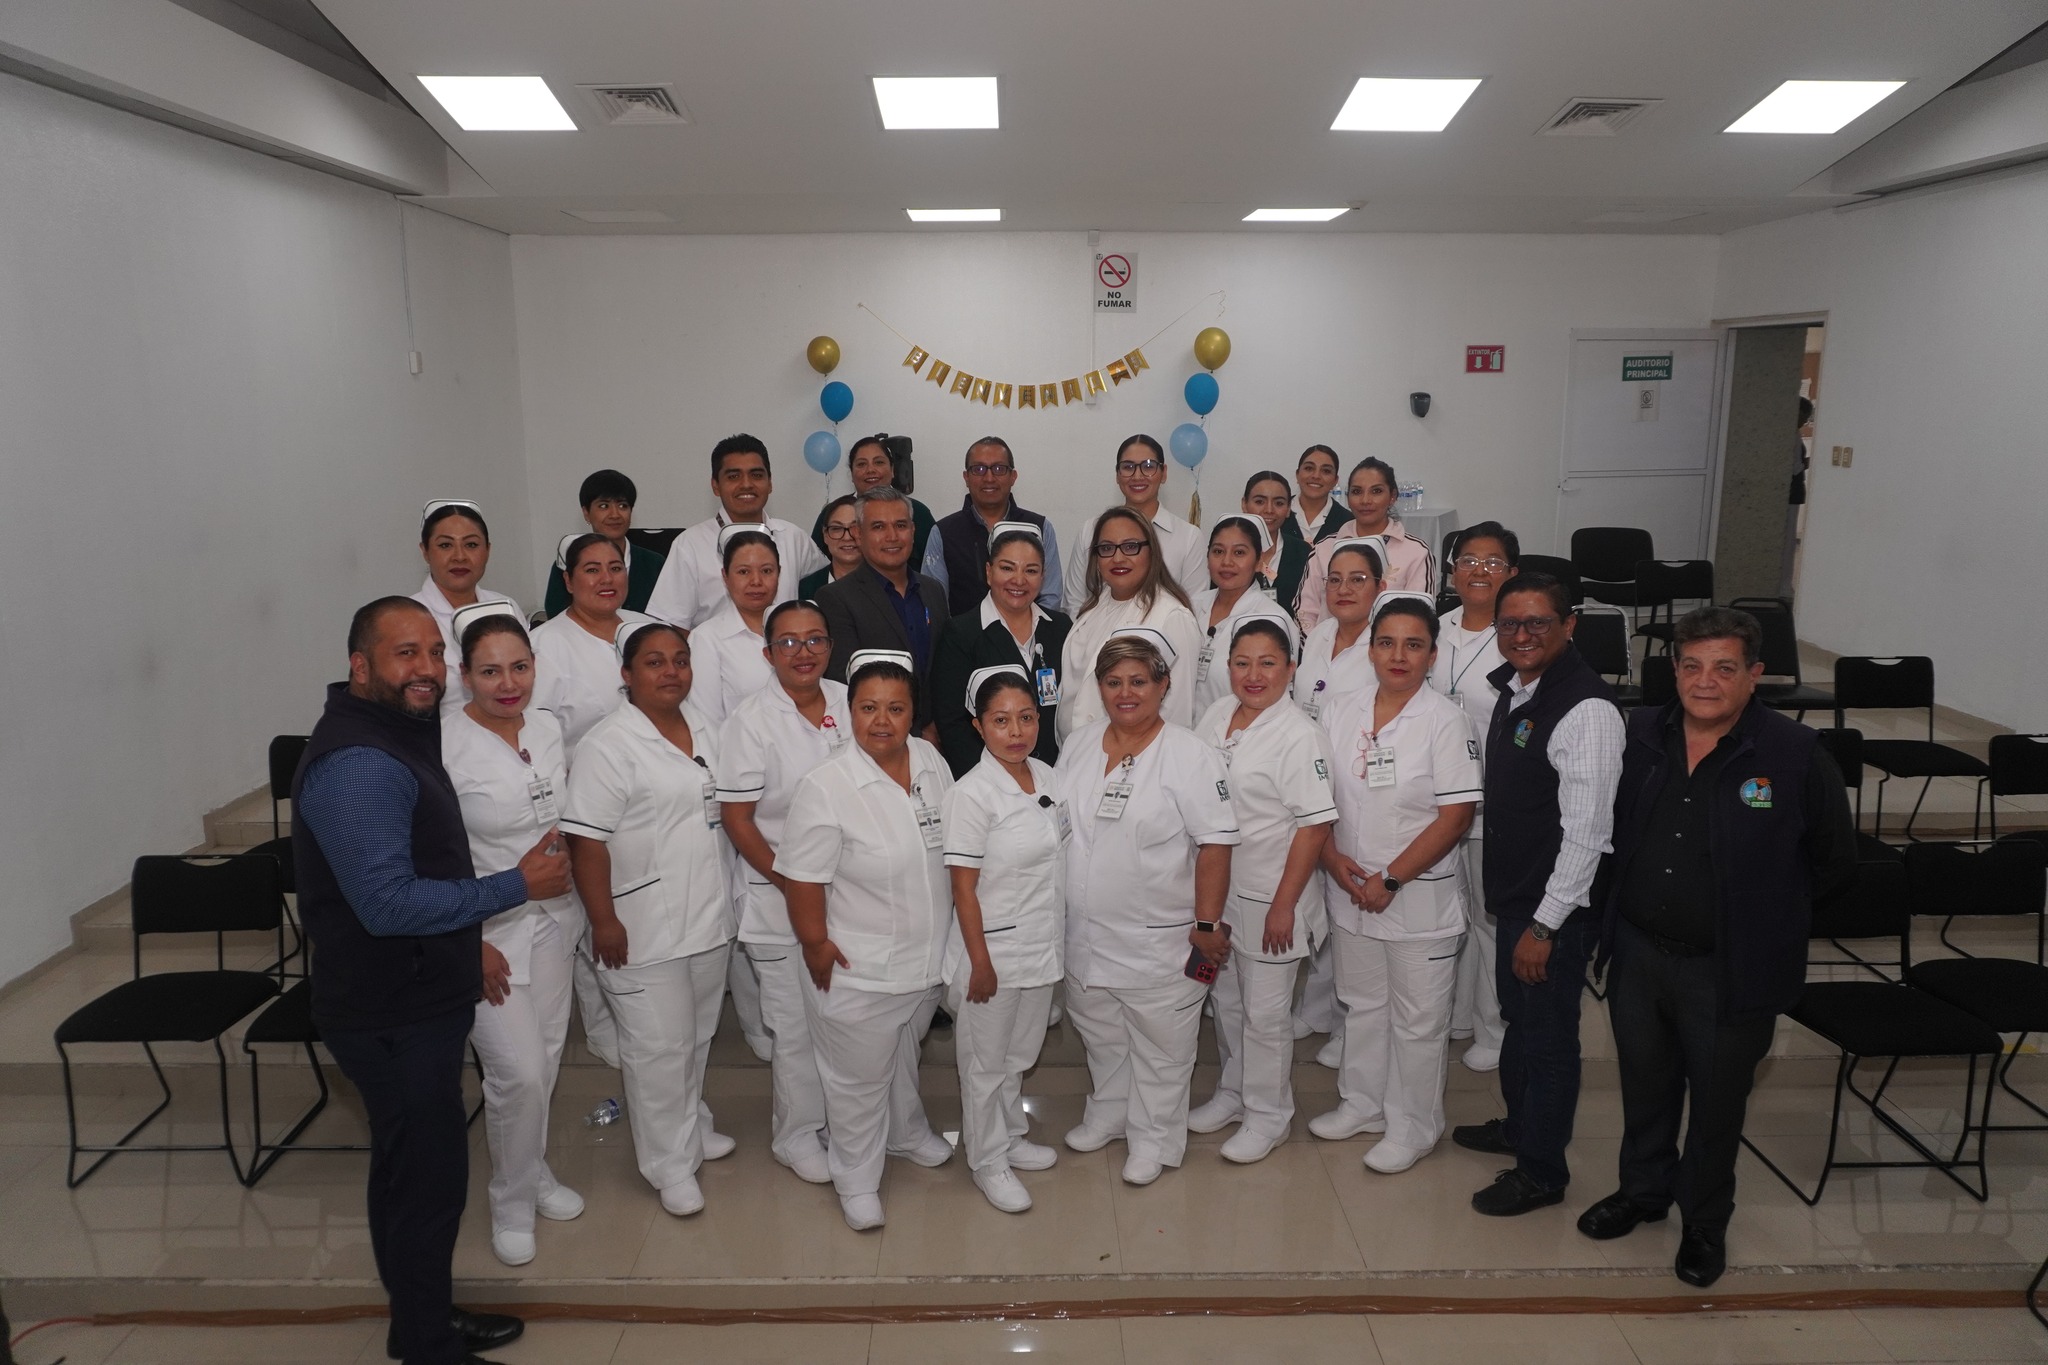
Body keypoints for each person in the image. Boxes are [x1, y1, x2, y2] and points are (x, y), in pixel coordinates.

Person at [293, 596, 568, 1365]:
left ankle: (419, 1317)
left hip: (412, 994)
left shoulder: (394, 734)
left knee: (409, 1170)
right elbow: (386, 904)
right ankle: (428, 1345)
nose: (426, 668)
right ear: (360, 666)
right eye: (404, 653)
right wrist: (513, 887)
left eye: (433, 652)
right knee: (426, 1182)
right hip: (390, 1009)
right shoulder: (359, 762)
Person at [1579, 607, 1854, 1288]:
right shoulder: (1640, 733)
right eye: (1693, 666)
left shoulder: (1795, 755)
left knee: (1717, 1101)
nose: (1706, 681)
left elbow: (1834, 865)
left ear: (1754, 675)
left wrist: (1765, 921)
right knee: (1644, 1085)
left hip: (1728, 968)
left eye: (1724, 668)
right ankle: (1643, 1191)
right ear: (1675, 670)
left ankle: (1703, 1221)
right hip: (1640, 952)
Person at [1450, 571, 1624, 1217]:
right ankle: (1519, 1128)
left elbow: (1588, 833)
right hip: (1520, 896)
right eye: (1510, 623)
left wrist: (1545, 926)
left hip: (1554, 911)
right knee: (1519, 1022)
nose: (1521, 635)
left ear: (1569, 625)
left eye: (1537, 623)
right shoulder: (1520, 688)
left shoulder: (1587, 711)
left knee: (1549, 1041)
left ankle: (1542, 1172)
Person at [776, 651, 957, 1230]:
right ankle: (856, 1178)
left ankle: (905, 1132)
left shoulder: (930, 760)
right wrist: (815, 944)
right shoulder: (826, 785)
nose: (882, 721)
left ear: (913, 714)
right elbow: (802, 877)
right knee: (856, 1083)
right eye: (868, 708)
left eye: (896, 709)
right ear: (849, 711)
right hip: (859, 967)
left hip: (925, 960)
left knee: (902, 1056)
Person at [561, 621, 737, 1218]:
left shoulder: (705, 727)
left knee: (696, 1035)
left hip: (707, 914)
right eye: (655, 662)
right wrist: (603, 920)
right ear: (627, 674)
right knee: (658, 1049)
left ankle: (693, 1124)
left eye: (680, 660)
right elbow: (586, 841)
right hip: (638, 924)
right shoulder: (608, 745)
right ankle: (669, 1165)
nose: (671, 672)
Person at [1054, 630, 1240, 1186]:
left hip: (1161, 937)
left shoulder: (1190, 755)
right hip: (1086, 934)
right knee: (1101, 1032)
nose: (1126, 693)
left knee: (1163, 1046)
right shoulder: (1080, 744)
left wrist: (1206, 924)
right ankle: (1110, 1113)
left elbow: (1216, 843)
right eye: (1113, 682)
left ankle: (1154, 1138)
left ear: (1163, 685)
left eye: (1138, 681)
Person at [1313, 594, 1483, 1174]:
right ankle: (1362, 1104)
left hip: (1416, 898)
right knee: (1362, 1005)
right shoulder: (1339, 711)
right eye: (1386, 643)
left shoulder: (1446, 721)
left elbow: (1455, 816)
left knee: (1417, 1021)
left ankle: (1413, 1127)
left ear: (1432, 656)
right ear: (1370, 650)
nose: (1398, 656)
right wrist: (1333, 860)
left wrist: (1390, 879)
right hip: (1350, 889)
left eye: (1414, 645)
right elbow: (1317, 799)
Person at [443, 604, 586, 1269]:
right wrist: (466, 939)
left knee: (546, 1061)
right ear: (464, 675)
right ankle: (510, 1202)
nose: (508, 684)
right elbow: (432, 852)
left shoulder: (548, 727)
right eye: (491, 671)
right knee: (518, 1072)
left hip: (555, 920)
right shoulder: (444, 745)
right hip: (487, 929)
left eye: (520, 667)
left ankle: (533, 1171)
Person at [1187, 615, 1336, 1164]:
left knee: (1265, 1016)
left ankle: (1269, 1116)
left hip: (1274, 896)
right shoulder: (1217, 715)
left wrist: (1283, 906)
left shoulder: (1299, 735)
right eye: (1242, 663)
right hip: (1218, 895)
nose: (1253, 675)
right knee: (1226, 1001)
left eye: (1268, 663)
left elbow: (1314, 827)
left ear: (1290, 668)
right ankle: (1234, 1093)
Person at [716, 600, 851, 1185]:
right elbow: (738, 819)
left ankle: (842, 1123)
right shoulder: (750, 721)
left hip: (849, 894)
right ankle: (795, 1135)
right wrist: (793, 882)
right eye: (789, 643)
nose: (804, 652)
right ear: (768, 653)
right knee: (793, 1027)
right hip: (777, 897)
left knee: (839, 1019)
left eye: (815, 639)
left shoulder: (849, 702)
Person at [941, 666, 1069, 1212]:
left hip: (1040, 942)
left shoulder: (1048, 776)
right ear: (978, 725)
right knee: (984, 1064)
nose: (1016, 732)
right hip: (990, 951)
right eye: (1000, 721)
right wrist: (980, 961)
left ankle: (1011, 1135)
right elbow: (963, 888)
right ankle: (987, 1159)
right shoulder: (971, 794)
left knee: (1018, 1054)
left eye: (1026, 718)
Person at [1290, 537, 1384, 1050]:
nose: (1344, 589)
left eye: (1357, 579)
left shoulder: (1382, 643)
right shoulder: (1320, 633)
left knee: (1350, 899)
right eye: (1335, 580)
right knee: (1321, 898)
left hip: (1357, 784)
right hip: (1310, 778)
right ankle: (1319, 1008)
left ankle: (1352, 1026)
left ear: (1380, 587)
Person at [1433, 522, 1517, 1075]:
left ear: (1512, 573)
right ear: (1452, 570)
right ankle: (1457, 1017)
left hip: (1492, 803)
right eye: (1467, 560)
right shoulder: (1434, 629)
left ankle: (1494, 1027)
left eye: (1492, 562)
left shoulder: (1518, 636)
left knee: (1488, 919)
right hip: (1434, 803)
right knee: (1449, 914)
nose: (1478, 571)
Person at [930, 522, 1072, 777]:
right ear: (989, 572)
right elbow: (952, 723)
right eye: (1007, 568)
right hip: (987, 780)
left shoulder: (1061, 628)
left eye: (1031, 570)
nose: (1019, 580)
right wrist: (990, 781)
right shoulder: (961, 633)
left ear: (1043, 576)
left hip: (1055, 776)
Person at [645, 434, 826, 629]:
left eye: (756, 475)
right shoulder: (690, 545)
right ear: (715, 486)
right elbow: (670, 626)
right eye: (733, 476)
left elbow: (825, 593)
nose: (746, 484)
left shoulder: (794, 538)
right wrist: (705, 646)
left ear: (770, 483)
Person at [816, 486, 951, 736]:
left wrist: (935, 728)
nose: (892, 536)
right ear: (859, 534)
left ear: (913, 531)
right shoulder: (835, 598)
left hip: (936, 739)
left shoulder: (933, 590)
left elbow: (943, 670)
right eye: (878, 527)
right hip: (876, 736)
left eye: (900, 525)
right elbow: (845, 683)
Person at [1058, 509, 1201, 740]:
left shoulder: (1172, 617)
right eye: (1107, 548)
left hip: (1130, 756)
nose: (1118, 558)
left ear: (1152, 552)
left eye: (1130, 546)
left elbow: (1177, 716)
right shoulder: (1094, 607)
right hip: (1075, 752)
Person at [531, 534, 655, 752]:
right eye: (592, 570)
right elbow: (534, 734)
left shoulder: (651, 629)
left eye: (615, 568)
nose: (607, 579)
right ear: (568, 581)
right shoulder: (542, 646)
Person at [926, 436, 1065, 616]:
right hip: (964, 633)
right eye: (979, 469)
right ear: (966, 477)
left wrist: (1026, 629)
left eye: (999, 469)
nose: (989, 478)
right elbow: (935, 603)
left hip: (1029, 633)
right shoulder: (943, 533)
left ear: (1013, 476)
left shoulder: (1039, 528)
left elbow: (1051, 598)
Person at [1062, 435, 1208, 606]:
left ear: (1163, 473)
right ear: (1117, 475)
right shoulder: (1090, 530)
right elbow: (1074, 602)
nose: (1137, 476)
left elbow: (1195, 605)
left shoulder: (1189, 537)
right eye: (1128, 467)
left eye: (1148, 466)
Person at [1296, 459, 1435, 631]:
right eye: (1357, 491)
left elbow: (1420, 618)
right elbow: (1305, 612)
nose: (1365, 500)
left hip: (1389, 646)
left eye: (1376, 491)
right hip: (1328, 646)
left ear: (1392, 496)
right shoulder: (1324, 549)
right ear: (1348, 498)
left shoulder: (1416, 552)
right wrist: (1318, 644)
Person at [412, 501, 523, 717]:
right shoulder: (408, 618)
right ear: (425, 551)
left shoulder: (506, 608)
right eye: (445, 545)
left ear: (487, 550)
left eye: (471, 545)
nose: (459, 556)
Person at [1187, 515, 1283, 718]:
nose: (1226, 562)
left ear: (1258, 561)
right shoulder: (1190, 607)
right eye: (1218, 551)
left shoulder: (1272, 619)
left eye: (1239, 552)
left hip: (1237, 733)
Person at [687, 525, 781, 726]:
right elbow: (706, 721)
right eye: (743, 572)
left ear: (779, 573)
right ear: (725, 576)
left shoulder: (801, 629)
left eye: (766, 571)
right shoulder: (706, 639)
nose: (756, 581)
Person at [541, 470, 665, 617]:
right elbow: (557, 615)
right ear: (586, 513)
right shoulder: (568, 562)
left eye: (623, 506)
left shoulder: (655, 564)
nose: (615, 515)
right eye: (604, 506)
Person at [811, 433, 937, 569]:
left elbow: (933, 568)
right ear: (851, 474)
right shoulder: (833, 513)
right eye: (861, 464)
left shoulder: (918, 512)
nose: (870, 470)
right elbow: (816, 568)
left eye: (879, 462)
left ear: (892, 470)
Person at [1240, 470, 1313, 614]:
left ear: (1288, 509)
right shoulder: (1229, 552)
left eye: (1279, 503)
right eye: (1259, 502)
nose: (1269, 510)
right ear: (1244, 504)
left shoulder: (1303, 553)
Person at [1283, 445, 1350, 546]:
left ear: (1335, 480)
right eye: (1309, 468)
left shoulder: (1348, 522)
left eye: (1326, 471)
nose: (1316, 476)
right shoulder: (1278, 514)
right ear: (1297, 474)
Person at [802, 494, 863, 599]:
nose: (847, 537)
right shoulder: (806, 589)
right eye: (837, 528)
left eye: (855, 527)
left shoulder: (886, 584)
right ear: (825, 535)